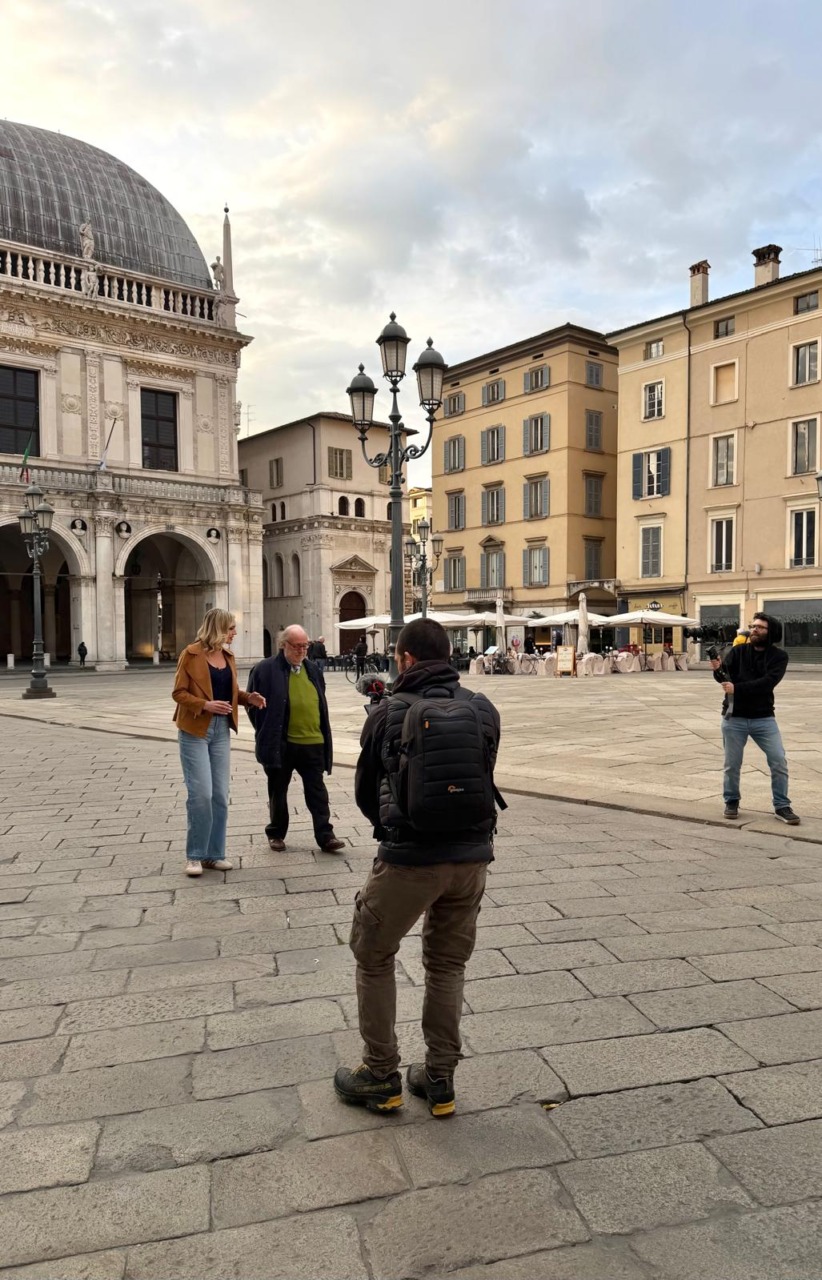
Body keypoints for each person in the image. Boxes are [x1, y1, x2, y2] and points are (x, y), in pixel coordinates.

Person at [334, 618, 501, 1118]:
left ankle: (380, 1074)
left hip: (409, 858)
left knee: (373, 954)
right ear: (448, 655)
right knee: (447, 964)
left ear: (404, 659)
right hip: (471, 859)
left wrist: (394, 826)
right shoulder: (482, 708)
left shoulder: (387, 712)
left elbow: (366, 793)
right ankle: (440, 1078)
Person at [172, 609, 266, 877]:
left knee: (220, 796)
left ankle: (214, 855)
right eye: (231, 628)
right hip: (195, 730)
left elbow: (231, 692)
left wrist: (248, 698)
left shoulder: (228, 656)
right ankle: (194, 856)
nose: (235, 633)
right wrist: (205, 704)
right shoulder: (190, 654)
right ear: (219, 629)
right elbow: (178, 693)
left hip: (221, 730)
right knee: (201, 794)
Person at [246, 624, 345, 854]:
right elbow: (252, 705)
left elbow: (320, 700)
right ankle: (276, 833)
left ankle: (326, 836)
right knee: (278, 791)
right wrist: (267, 731)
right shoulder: (264, 669)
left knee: (317, 792)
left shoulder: (313, 670)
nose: (302, 650)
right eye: (297, 646)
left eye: (305, 646)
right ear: (284, 645)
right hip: (282, 743)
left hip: (313, 741)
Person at [711, 612, 799, 825]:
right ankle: (731, 801)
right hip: (734, 717)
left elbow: (768, 683)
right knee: (732, 765)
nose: (754, 630)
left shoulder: (779, 656)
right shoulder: (738, 651)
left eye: (760, 627)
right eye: (753, 626)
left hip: (763, 718)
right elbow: (724, 679)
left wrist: (737, 688)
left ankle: (782, 805)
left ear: (771, 632)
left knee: (778, 761)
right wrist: (717, 668)